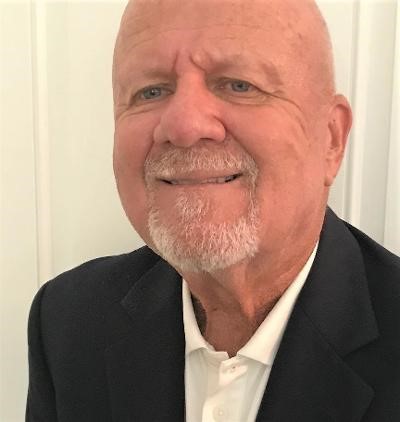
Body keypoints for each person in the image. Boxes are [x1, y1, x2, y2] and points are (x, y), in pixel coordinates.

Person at [26, 0, 400, 421]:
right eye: (151, 91)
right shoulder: (68, 322)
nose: (184, 127)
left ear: (331, 139)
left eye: (239, 85)